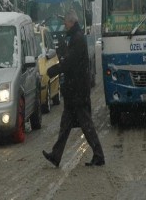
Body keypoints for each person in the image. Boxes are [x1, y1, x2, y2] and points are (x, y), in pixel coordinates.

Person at [42, 10, 105, 167]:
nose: (64, 25)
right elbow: (68, 58)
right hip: (73, 92)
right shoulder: (75, 37)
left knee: (86, 125)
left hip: (77, 91)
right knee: (65, 125)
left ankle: (99, 155)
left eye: (65, 23)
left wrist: (54, 70)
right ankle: (56, 155)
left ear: (71, 22)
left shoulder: (78, 39)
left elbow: (70, 62)